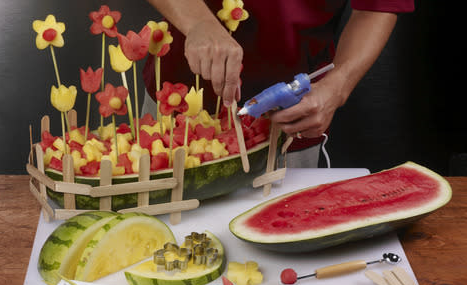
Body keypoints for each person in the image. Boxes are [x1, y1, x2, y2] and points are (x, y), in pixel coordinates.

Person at [143, 0, 414, 167]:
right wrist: (198, 22)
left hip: (291, 125)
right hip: (174, 112)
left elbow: (377, 7)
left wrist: (337, 87)